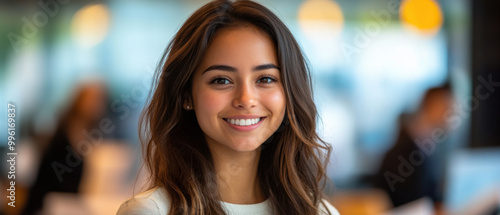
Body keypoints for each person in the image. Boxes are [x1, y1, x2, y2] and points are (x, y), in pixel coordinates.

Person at [117, 0, 340, 214]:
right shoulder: (152, 211)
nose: (246, 99)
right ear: (186, 95)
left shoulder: (319, 212)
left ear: (290, 92)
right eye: (221, 80)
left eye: (265, 79)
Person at [22, 81, 108, 215]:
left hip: (65, 204)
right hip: (48, 204)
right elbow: (48, 179)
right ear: (79, 100)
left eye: (99, 99)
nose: (95, 104)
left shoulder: (87, 133)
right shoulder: (63, 132)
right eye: (91, 99)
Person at [374, 83, 453, 209]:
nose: (454, 116)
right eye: (449, 109)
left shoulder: (425, 149)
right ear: (435, 106)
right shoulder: (401, 155)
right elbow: (410, 206)